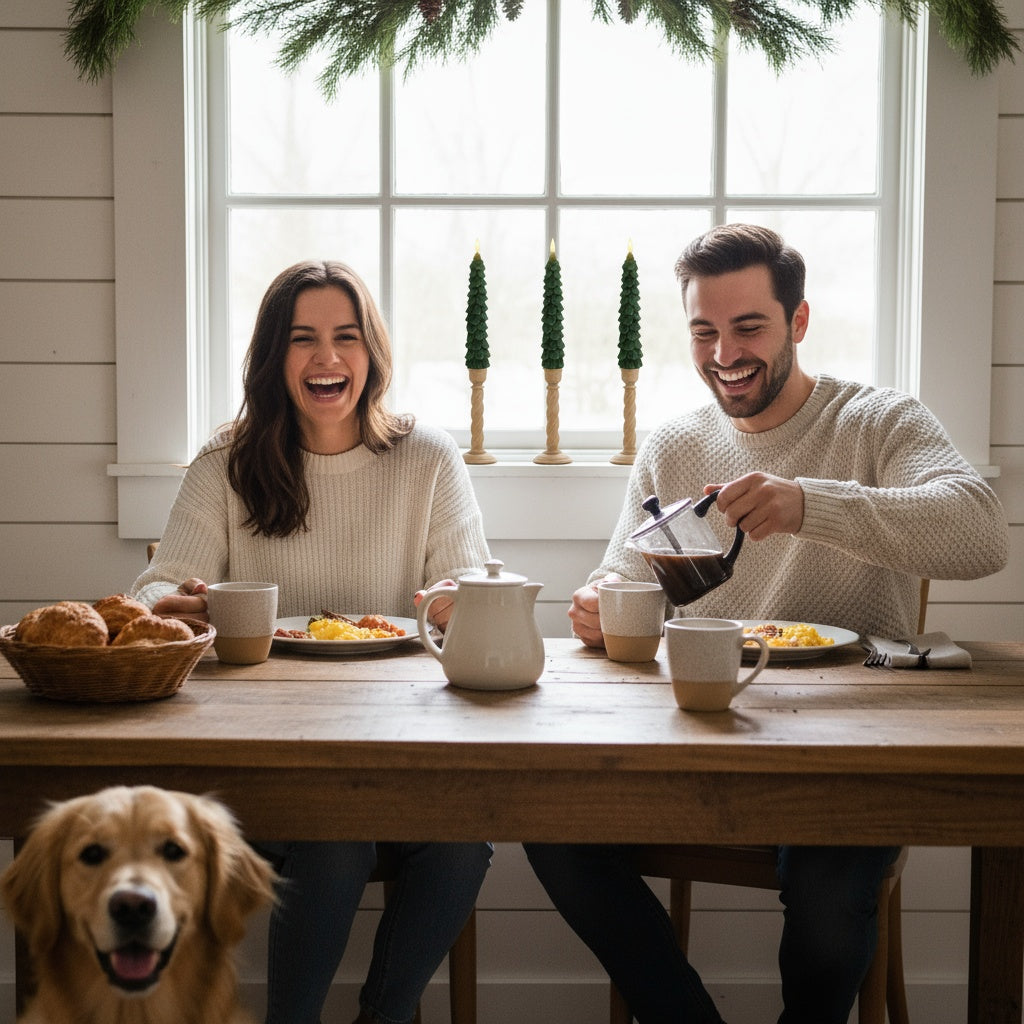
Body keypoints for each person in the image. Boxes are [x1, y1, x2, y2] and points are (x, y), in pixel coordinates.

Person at [525, 223, 1009, 1024]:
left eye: (749, 326)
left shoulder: (876, 422)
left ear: (799, 321)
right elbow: (627, 577)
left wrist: (809, 503)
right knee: (548, 828)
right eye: (705, 331)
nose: (725, 353)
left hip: (844, 749)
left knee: (827, 906)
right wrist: (601, 610)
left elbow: (980, 532)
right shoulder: (678, 444)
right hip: (699, 740)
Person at [129, 259, 493, 1024]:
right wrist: (179, 606)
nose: (327, 358)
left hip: (396, 741)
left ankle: (385, 1014)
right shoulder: (225, 462)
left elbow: (469, 584)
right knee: (335, 837)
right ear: (273, 358)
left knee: (465, 841)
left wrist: (463, 602)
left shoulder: (427, 457)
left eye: (345, 337)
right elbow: (150, 595)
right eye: (303, 339)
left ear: (372, 355)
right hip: (260, 748)